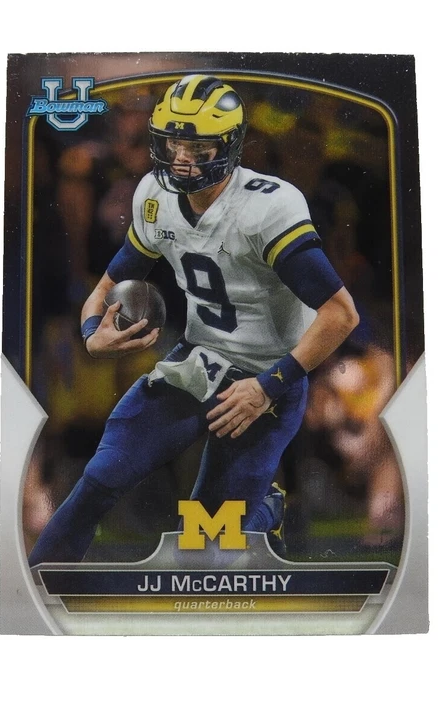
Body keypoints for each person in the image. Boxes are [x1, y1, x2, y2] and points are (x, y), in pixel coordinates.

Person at [28, 74, 358, 566]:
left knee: (205, 548)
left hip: (269, 376)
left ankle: (264, 512)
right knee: (101, 477)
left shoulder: (268, 207)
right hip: (198, 361)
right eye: (175, 143)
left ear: (229, 145)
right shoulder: (154, 196)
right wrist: (92, 333)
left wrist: (268, 386)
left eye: (199, 148)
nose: (182, 157)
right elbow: (105, 287)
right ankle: (38, 585)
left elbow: (341, 313)